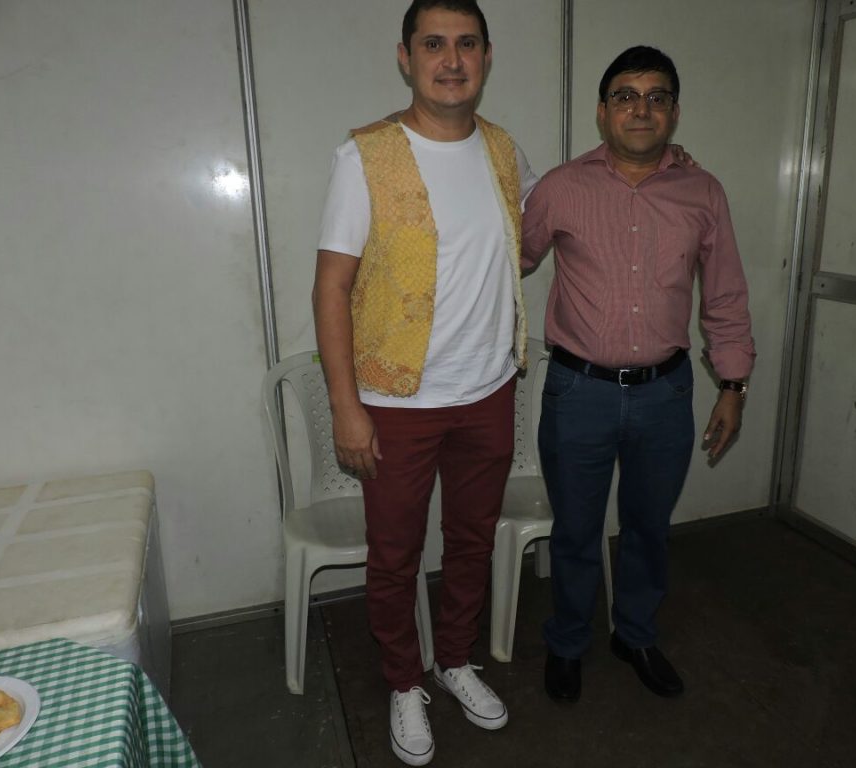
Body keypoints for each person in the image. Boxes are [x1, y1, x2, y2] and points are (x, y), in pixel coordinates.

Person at [311, 1, 538, 764]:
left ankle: (455, 660)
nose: (451, 60)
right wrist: (346, 406)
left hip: (488, 390)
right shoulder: (366, 156)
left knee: (472, 539)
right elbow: (331, 287)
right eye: (433, 44)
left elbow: (532, 236)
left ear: (486, 56)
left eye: (466, 44)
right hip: (396, 401)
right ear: (405, 57)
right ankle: (405, 682)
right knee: (395, 552)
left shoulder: (504, 150)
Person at [521, 45, 756, 703]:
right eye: (625, 95)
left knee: (649, 528)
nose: (641, 108)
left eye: (657, 97)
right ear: (603, 112)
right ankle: (568, 641)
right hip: (578, 393)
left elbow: (726, 295)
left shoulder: (703, 192)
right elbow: (509, 258)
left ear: (674, 113)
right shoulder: (560, 189)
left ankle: (635, 633)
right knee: (575, 530)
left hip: (665, 394)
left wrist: (733, 385)